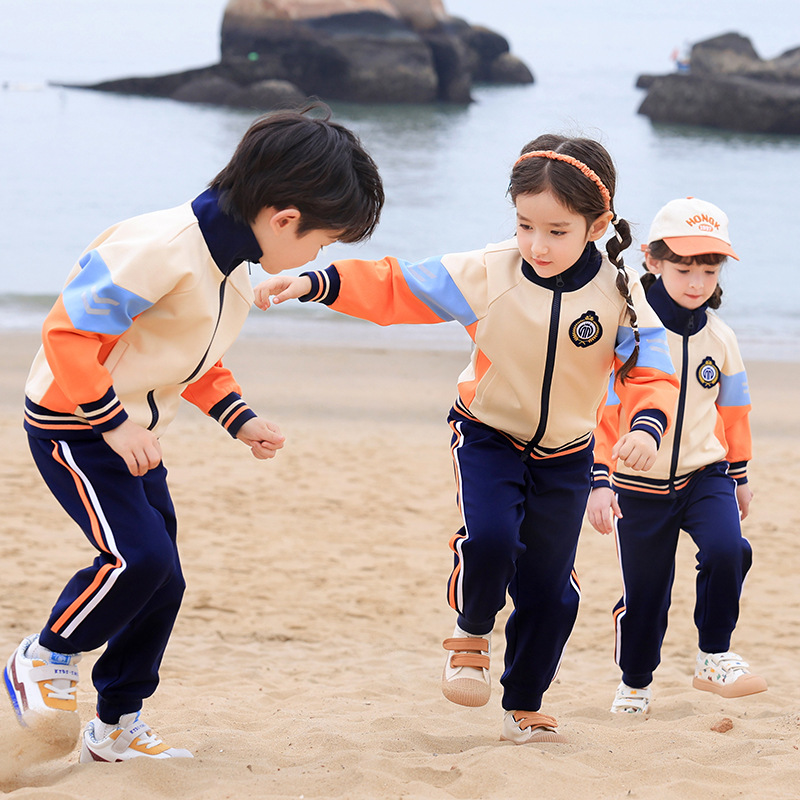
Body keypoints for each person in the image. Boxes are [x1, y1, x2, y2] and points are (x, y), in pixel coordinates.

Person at [253, 134, 679, 744]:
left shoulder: (622, 294)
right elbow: (400, 285)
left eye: (557, 231)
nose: (537, 245)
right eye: (525, 225)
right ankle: (472, 630)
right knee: (492, 538)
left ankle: (524, 705)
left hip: (567, 455)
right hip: (486, 435)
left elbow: (650, 370)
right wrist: (316, 282)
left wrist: (646, 425)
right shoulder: (489, 271)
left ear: (597, 225)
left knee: (552, 592)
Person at [4, 106, 384, 762]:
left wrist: (241, 418)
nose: (317, 257)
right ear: (284, 218)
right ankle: (44, 655)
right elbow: (67, 334)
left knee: (164, 581)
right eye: (323, 244)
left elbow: (193, 358)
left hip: (134, 432)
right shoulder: (157, 249)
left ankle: (115, 726)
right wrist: (111, 422)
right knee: (138, 560)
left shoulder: (232, 260)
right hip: (75, 425)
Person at [587, 196, 766, 715]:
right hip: (636, 487)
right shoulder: (629, 332)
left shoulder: (722, 338)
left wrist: (739, 475)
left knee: (729, 550)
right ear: (653, 260)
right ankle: (635, 683)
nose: (696, 283)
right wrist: (599, 478)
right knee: (647, 595)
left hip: (705, 475)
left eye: (709, 271)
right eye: (684, 269)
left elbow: (734, 412)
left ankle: (714, 655)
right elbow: (602, 412)